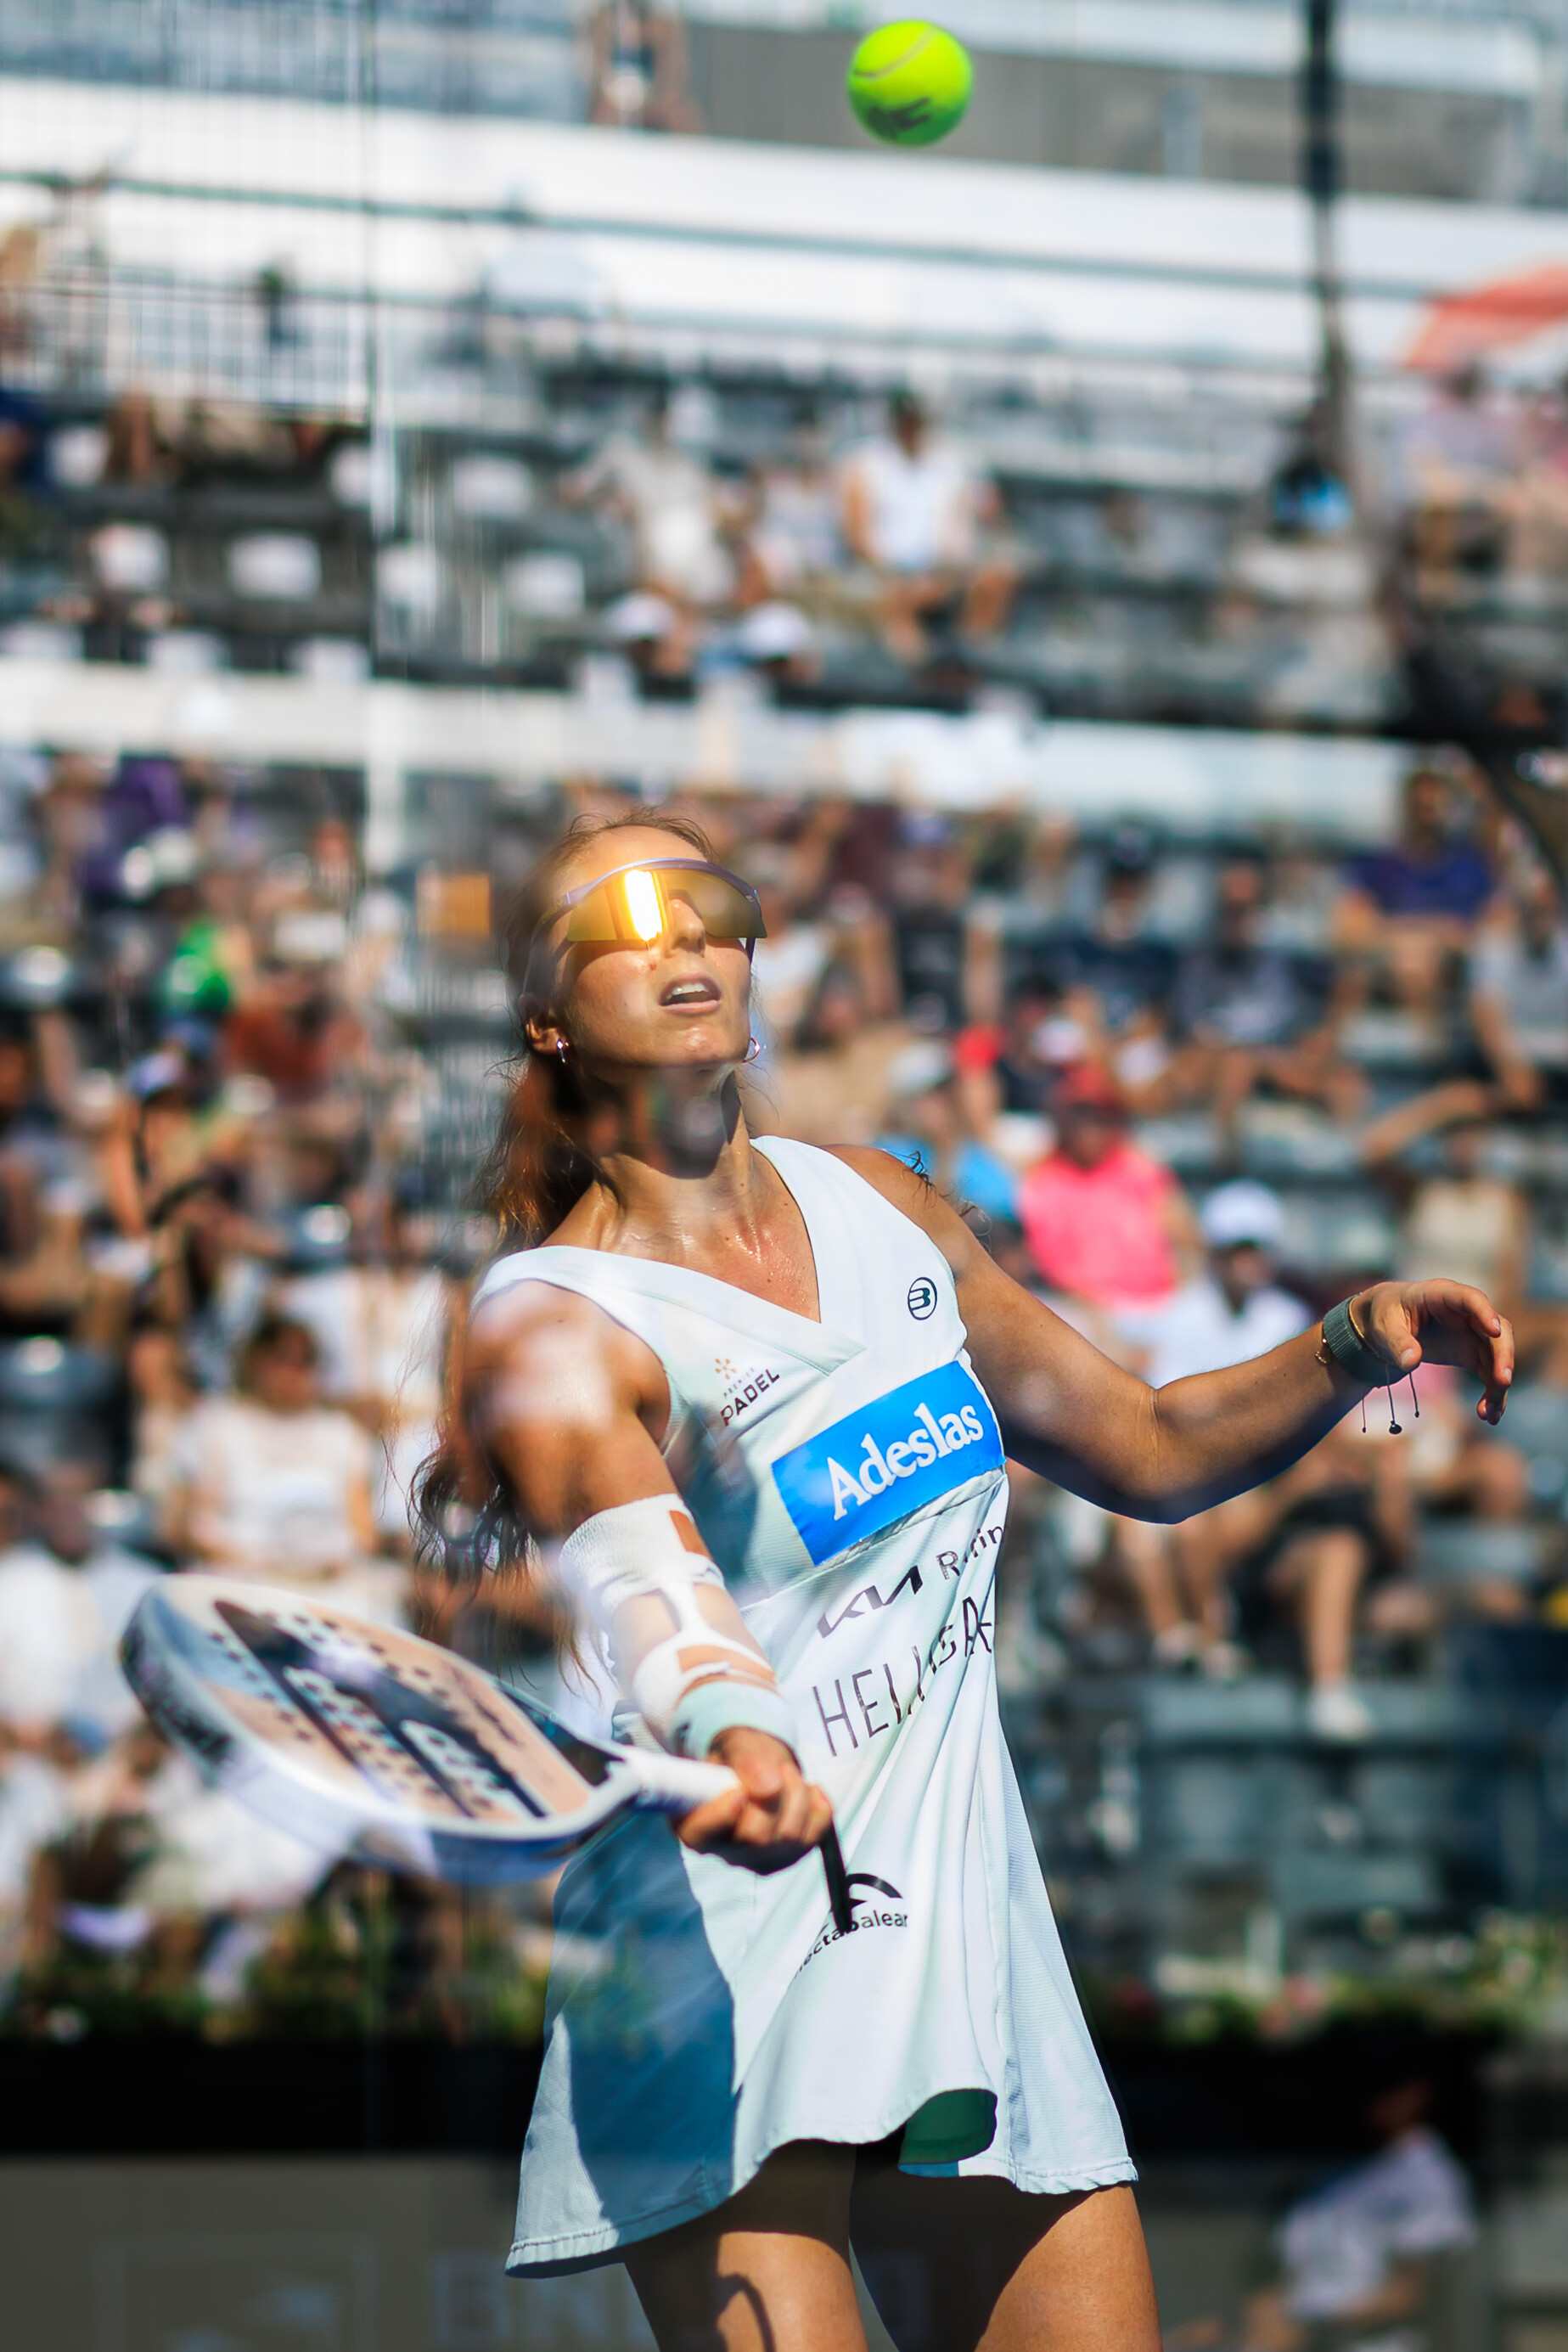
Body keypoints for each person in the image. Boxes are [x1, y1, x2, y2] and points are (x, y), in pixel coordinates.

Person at [418, 807, 1512, 2352]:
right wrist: (736, 1729)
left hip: (961, 1941)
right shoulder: (546, 1314)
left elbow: (1147, 1441)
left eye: (705, 901)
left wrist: (1349, 1342)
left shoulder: (885, 1204)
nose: (679, 938)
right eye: (623, 919)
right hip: (719, 1961)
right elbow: (643, 1575)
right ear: (546, 1013)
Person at [840, 391, 1015, 666]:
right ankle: (918, 672)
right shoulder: (865, 463)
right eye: (906, 420)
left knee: (996, 577)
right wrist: (894, 573)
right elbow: (858, 535)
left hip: (942, 570)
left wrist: (949, 567)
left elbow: (977, 516)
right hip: (887, 572)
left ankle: (970, 661)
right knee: (900, 601)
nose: (911, 428)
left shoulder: (953, 460)